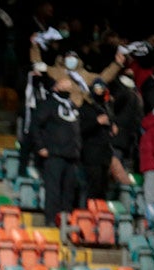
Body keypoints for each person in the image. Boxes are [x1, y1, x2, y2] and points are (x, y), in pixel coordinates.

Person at [30, 77, 81, 226]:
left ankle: (65, 222)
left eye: (69, 83)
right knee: (53, 190)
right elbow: (35, 125)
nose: (68, 84)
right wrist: (40, 147)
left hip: (71, 156)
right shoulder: (48, 104)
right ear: (56, 86)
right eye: (64, 82)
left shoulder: (73, 106)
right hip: (54, 154)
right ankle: (51, 220)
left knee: (68, 192)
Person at [80, 79, 116, 201]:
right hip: (91, 155)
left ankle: (99, 215)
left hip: (104, 156)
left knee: (102, 189)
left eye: (102, 89)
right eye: (97, 88)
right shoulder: (86, 108)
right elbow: (81, 129)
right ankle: (87, 215)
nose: (100, 91)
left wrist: (112, 127)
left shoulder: (106, 109)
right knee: (91, 188)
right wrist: (96, 122)